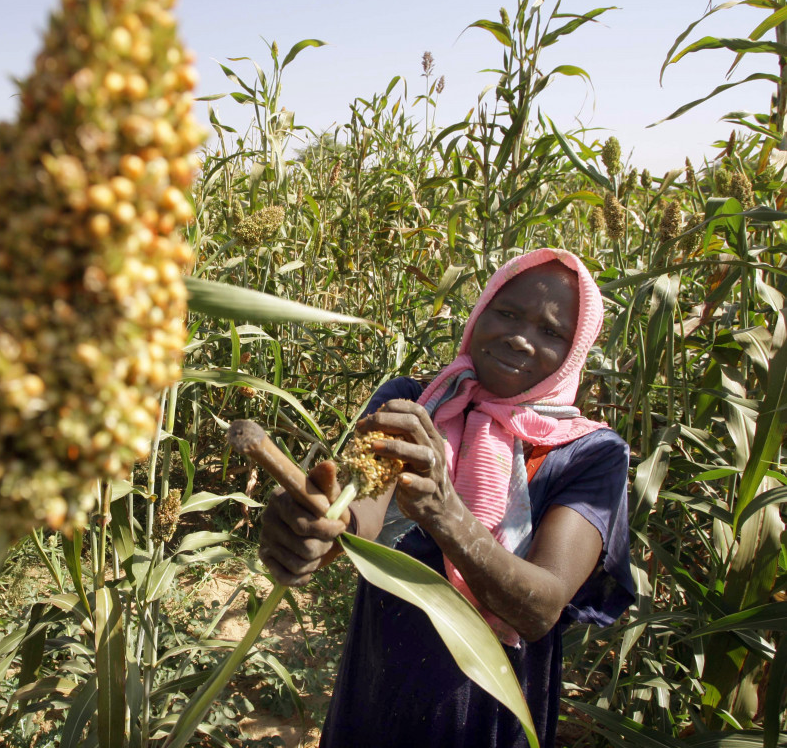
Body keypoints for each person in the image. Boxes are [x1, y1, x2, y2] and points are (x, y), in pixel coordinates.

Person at [257, 248, 634, 748]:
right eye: (507, 313)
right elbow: (360, 514)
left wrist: (444, 510)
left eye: (551, 332)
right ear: (479, 314)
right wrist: (312, 529)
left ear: (575, 350)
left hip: (490, 700)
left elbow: (540, 608)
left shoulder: (590, 452)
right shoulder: (417, 403)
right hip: (380, 677)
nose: (521, 338)